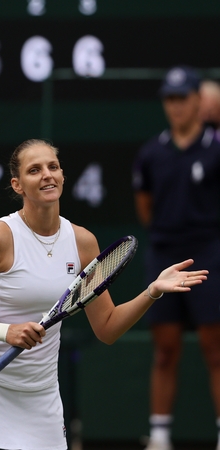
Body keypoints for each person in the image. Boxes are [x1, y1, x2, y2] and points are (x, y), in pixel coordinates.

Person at [0, 138, 208, 450]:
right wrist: (6, 332)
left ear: (62, 176)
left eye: (53, 167)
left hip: (40, 400)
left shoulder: (83, 242)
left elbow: (108, 327)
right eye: (35, 170)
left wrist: (152, 291)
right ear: (17, 185)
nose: (47, 174)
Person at [133, 66, 220, 450]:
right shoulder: (151, 154)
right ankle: (161, 436)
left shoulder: (217, 147)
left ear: (199, 101)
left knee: (214, 346)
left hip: (210, 253)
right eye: (170, 99)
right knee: (165, 348)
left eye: (182, 97)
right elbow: (146, 208)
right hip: (164, 255)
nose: (176, 106)